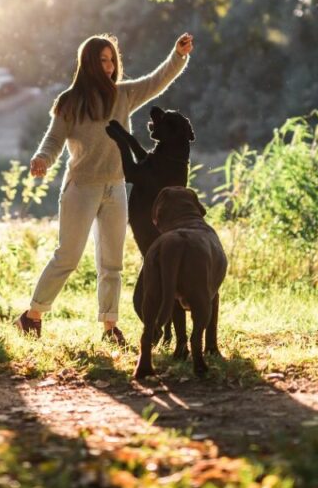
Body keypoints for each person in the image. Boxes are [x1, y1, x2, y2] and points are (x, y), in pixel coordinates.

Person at [14, 32, 194, 345]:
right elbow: (54, 140)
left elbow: (157, 80)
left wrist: (177, 55)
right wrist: (42, 158)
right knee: (67, 257)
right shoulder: (69, 102)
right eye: (102, 60)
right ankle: (32, 316)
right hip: (81, 188)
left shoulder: (123, 95)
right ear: (88, 63)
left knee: (112, 263)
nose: (109, 66)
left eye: (112, 60)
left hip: (115, 188)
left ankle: (110, 327)